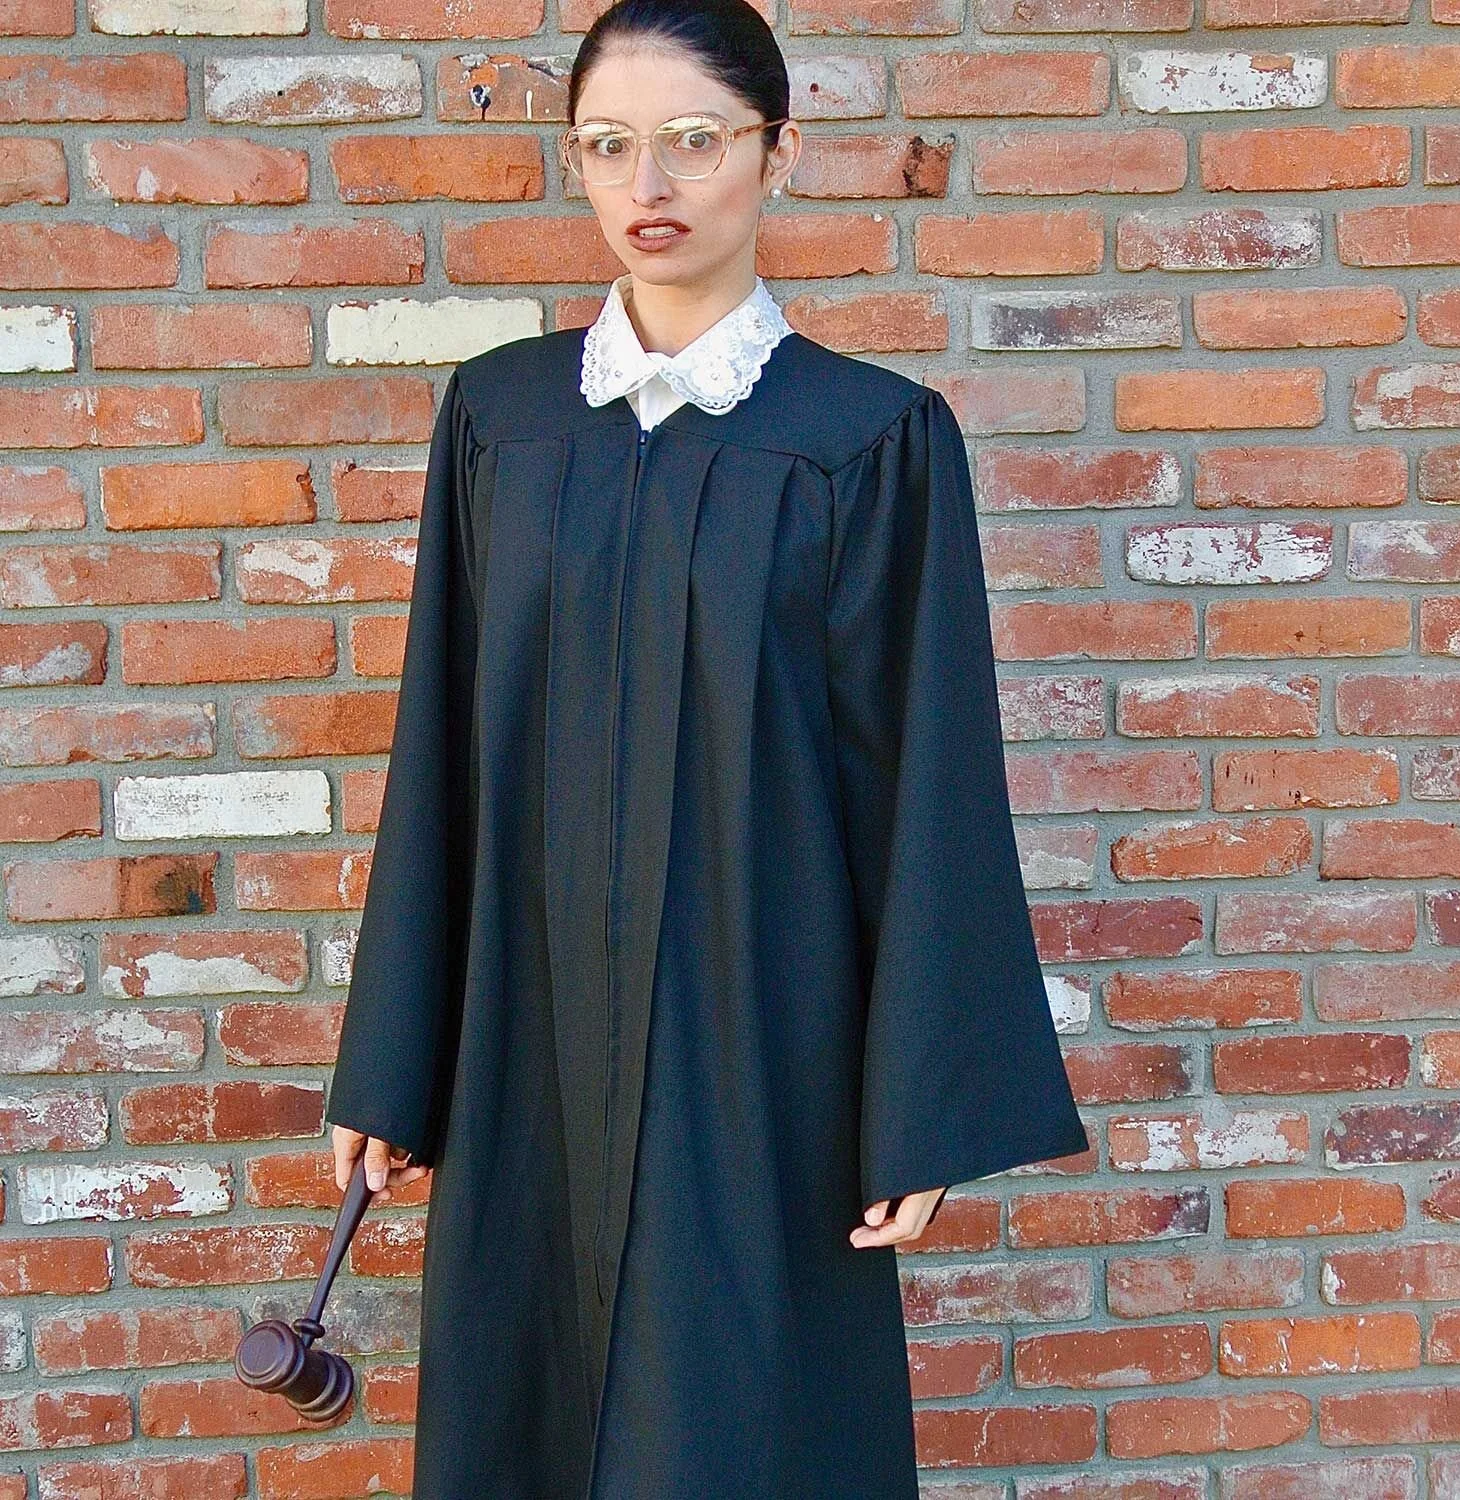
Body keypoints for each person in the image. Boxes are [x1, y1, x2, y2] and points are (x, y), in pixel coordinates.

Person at [324, 0, 1089, 1495]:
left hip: (760, 1048)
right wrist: (396, 1058)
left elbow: (927, 788)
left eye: (694, 139)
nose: (649, 184)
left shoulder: (868, 440)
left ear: (777, 152)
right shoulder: (501, 420)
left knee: (732, 1432)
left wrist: (913, 1106)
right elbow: (443, 755)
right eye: (607, 146)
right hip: (528, 1042)